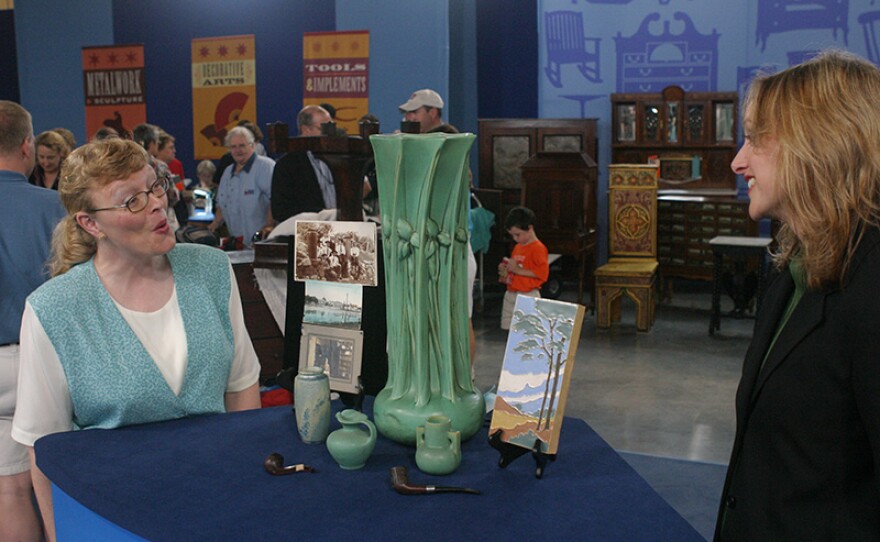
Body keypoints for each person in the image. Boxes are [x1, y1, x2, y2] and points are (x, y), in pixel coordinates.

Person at [11, 138, 262, 541]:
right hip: (112, 520)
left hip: (217, 506)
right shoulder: (54, 309)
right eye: (131, 201)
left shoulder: (210, 269)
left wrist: (250, 492)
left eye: (155, 185)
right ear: (90, 224)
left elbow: (241, 387)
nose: (156, 204)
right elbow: (45, 447)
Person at [715, 50, 880, 540]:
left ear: (820, 144)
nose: (737, 160)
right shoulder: (791, 264)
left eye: (754, 140)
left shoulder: (871, 284)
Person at [0, 100, 65, 542]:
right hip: (44, 362)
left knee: (11, 492)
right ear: (27, 146)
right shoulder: (55, 207)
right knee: (61, 486)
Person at [270, 105, 335, 223]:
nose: (330, 133)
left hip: (341, 228)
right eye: (325, 128)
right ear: (306, 130)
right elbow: (280, 210)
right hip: (308, 232)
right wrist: (322, 216)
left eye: (332, 127)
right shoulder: (287, 165)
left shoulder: (339, 157)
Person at [210, 126, 275, 244]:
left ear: (253, 146)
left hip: (262, 242)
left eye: (242, 145)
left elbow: (275, 199)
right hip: (237, 242)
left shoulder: (266, 167)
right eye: (233, 147)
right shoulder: (227, 172)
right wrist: (214, 225)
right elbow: (221, 204)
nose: (238, 150)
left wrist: (269, 226)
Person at [498, 206, 549, 330]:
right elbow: (516, 266)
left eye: (517, 234)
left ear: (530, 228)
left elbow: (542, 274)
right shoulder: (518, 247)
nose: (515, 239)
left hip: (528, 294)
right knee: (508, 329)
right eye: (512, 235)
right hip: (511, 292)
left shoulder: (538, 248)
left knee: (526, 331)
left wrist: (517, 270)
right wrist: (506, 269)